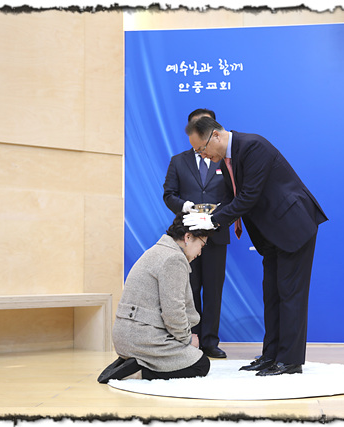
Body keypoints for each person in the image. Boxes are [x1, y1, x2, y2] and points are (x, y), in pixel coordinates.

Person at [183, 117, 328, 376]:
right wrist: (207, 216)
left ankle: (290, 360)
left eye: (202, 149)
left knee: (290, 294)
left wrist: (212, 221)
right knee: (271, 294)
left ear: (216, 136)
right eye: (197, 152)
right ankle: (271, 355)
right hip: (271, 233)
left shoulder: (253, 147)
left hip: (293, 226)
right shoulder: (225, 160)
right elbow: (231, 199)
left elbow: (248, 196)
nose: (202, 155)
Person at [97, 212, 213, 383]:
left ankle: (132, 362)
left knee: (192, 356)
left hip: (128, 336)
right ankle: (137, 371)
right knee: (201, 364)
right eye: (202, 245)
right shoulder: (174, 259)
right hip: (141, 338)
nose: (200, 252)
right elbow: (173, 312)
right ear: (188, 237)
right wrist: (187, 340)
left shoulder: (158, 251)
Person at [162, 108, 232, 359]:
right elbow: (169, 194)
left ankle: (210, 341)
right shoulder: (178, 161)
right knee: (188, 289)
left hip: (216, 234)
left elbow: (234, 195)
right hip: (187, 237)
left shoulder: (224, 160)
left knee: (214, 290)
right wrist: (185, 207)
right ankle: (190, 340)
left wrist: (218, 215)